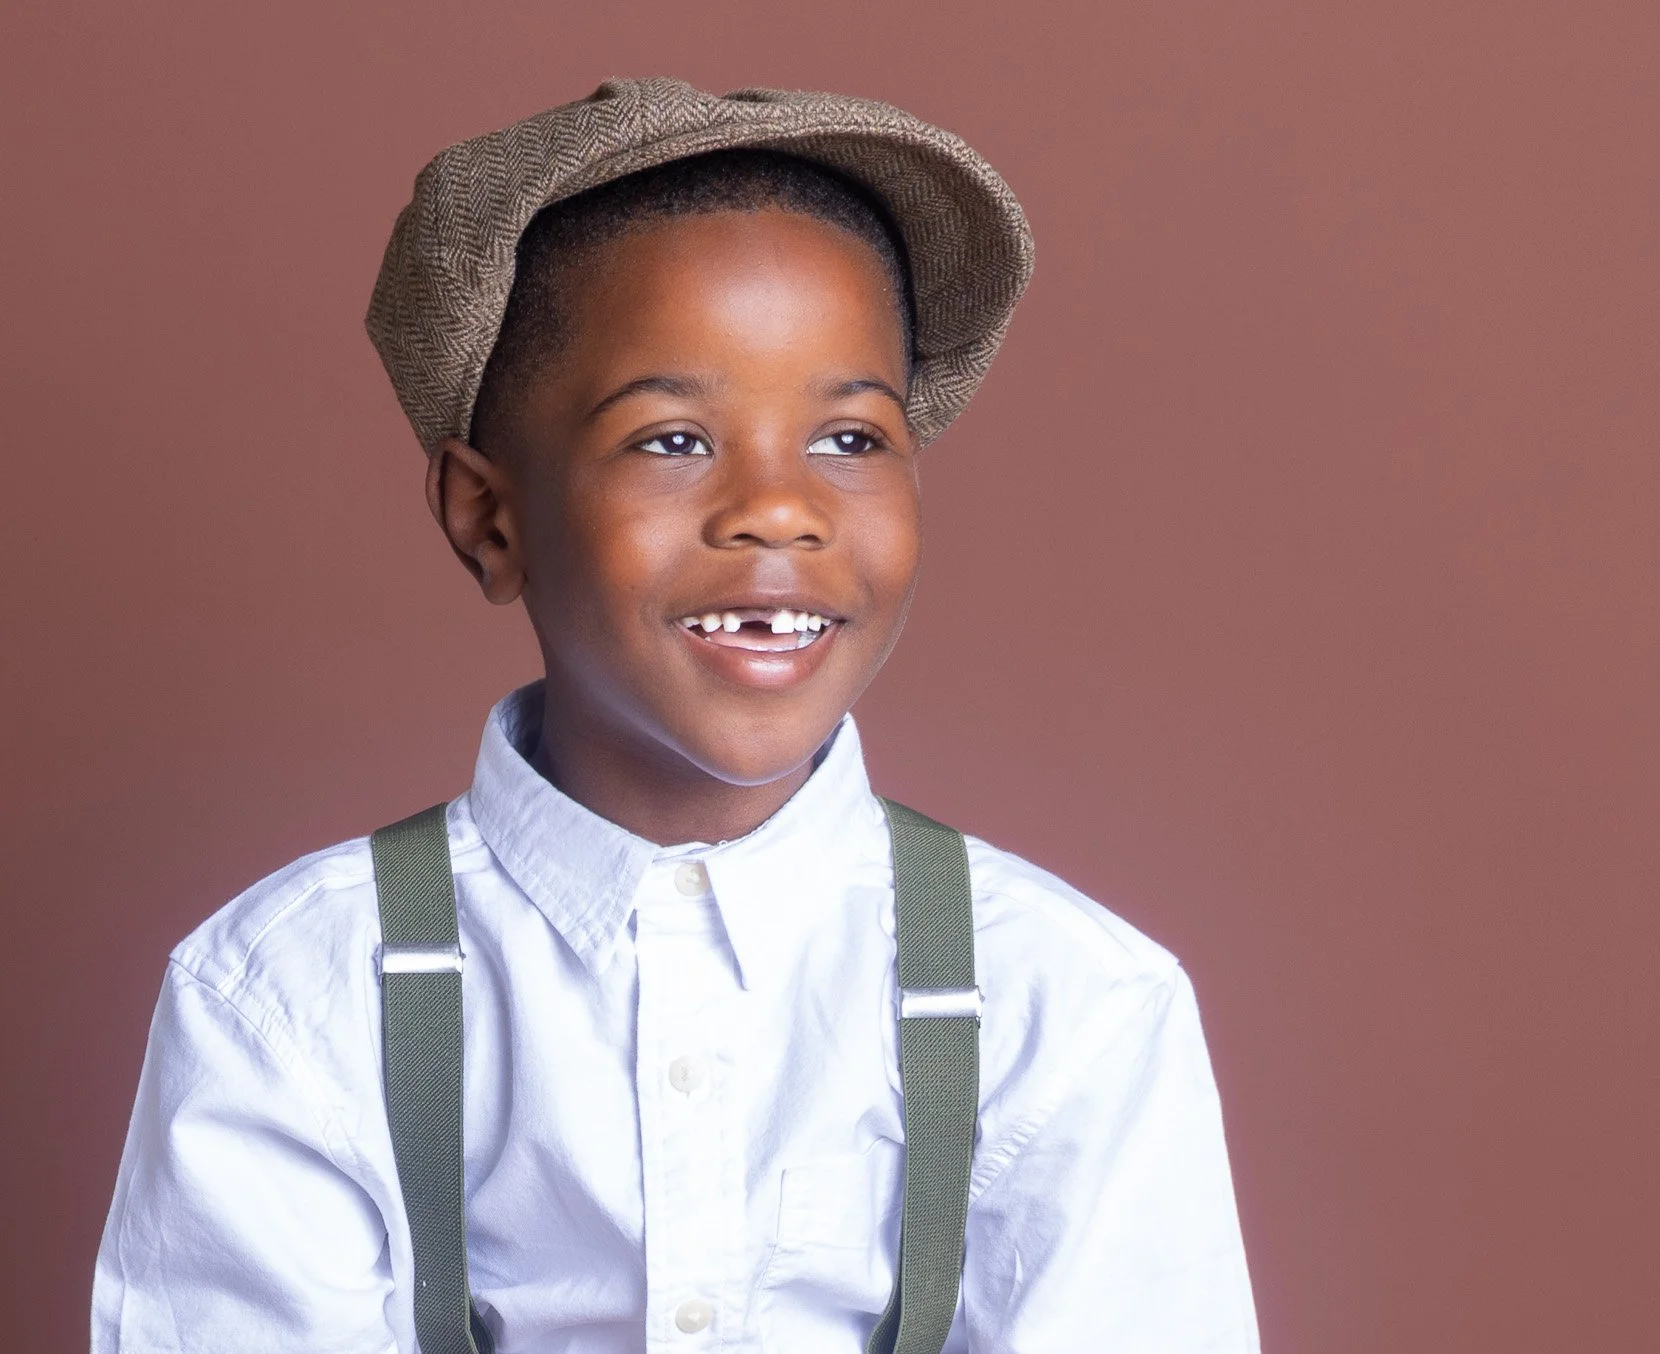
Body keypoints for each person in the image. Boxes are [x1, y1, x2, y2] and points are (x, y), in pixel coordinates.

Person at [92, 78, 1259, 1353]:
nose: (777, 506)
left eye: (852, 438)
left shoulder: (1068, 1002)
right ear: (490, 519)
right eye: (670, 440)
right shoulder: (289, 995)